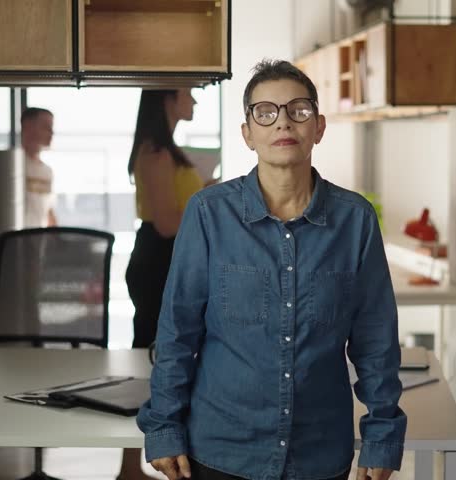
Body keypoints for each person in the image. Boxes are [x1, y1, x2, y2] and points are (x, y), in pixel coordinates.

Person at [137, 60, 406, 480]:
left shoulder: (355, 220)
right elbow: (178, 330)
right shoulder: (209, 213)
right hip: (221, 451)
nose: (283, 122)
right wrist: (163, 426)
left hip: (319, 454)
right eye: (265, 112)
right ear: (248, 133)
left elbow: (376, 340)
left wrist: (383, 434)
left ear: (318, 127)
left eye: (298, 110)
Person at [120, 88, 202, 480]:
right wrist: (207, 199)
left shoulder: (165, 149)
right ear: (168, 97)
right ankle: (128, 466)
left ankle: (149, 461)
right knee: (150, 361)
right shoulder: (155, 152)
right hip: (157, 261)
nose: (195, 101)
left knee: (164, 358)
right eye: (189, 93)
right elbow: (168, 223)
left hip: (167, 258)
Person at [21, 107, 58, 228]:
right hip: (17, 236)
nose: (51, 133)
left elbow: (48, 211)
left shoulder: (47, 171)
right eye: (46, 127)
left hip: (39, 238)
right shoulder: (14, 167)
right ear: (28, 126)